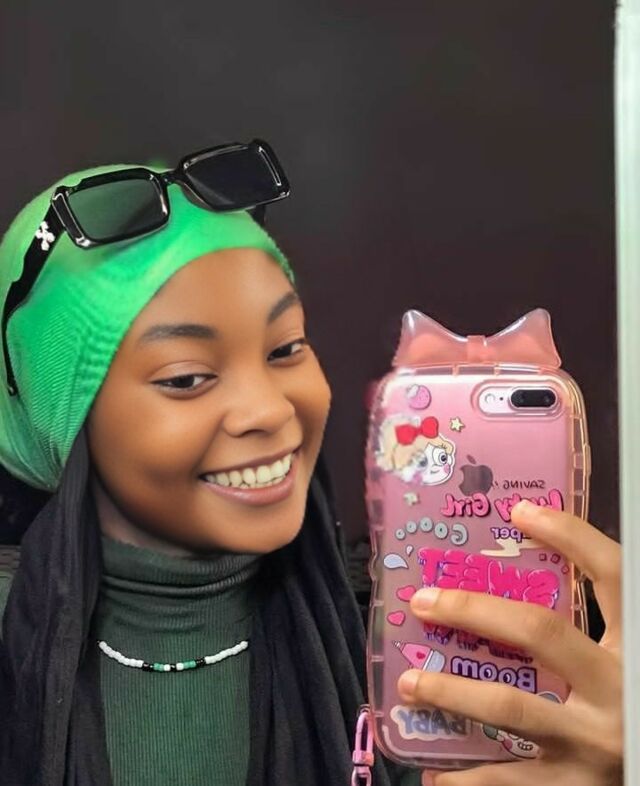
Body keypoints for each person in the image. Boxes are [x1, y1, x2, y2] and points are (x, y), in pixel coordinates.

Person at [0, 141, 622, 786]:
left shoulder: (404, 653)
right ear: (64, 420)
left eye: (285, 348)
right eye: (186, 377)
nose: (271, 409)